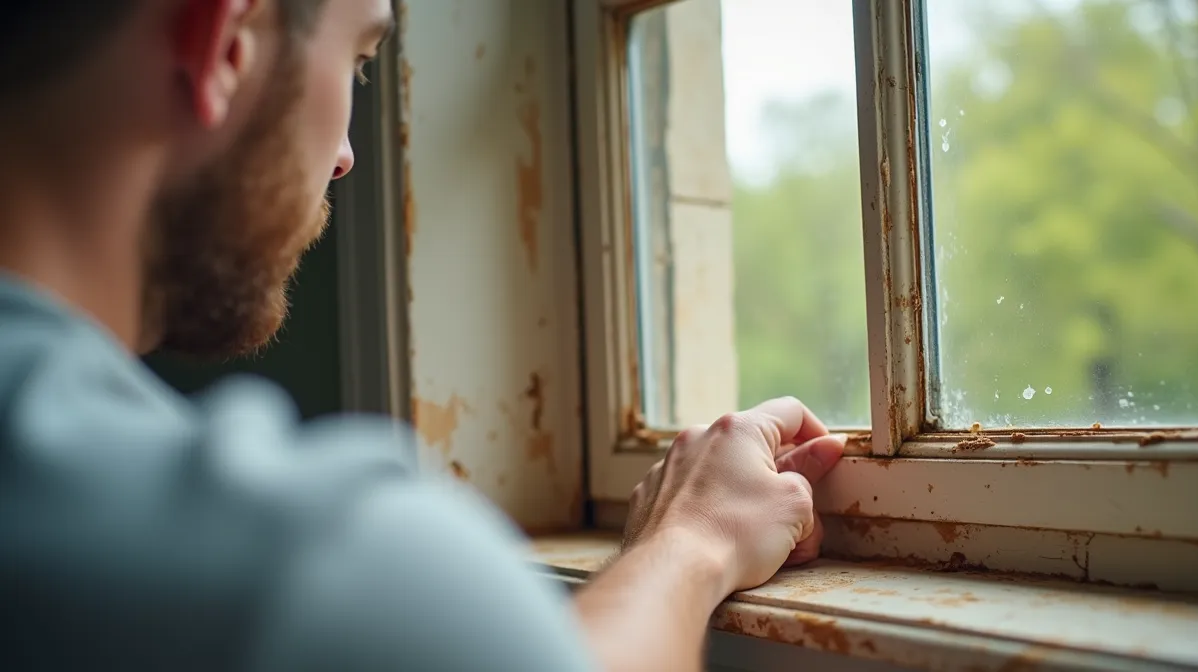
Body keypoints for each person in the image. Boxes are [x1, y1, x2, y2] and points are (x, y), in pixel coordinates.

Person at [0, 1, 848, 670]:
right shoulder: (304, 564)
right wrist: (694, 543)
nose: (344, 157)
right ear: (226, 42)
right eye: (358, 61)